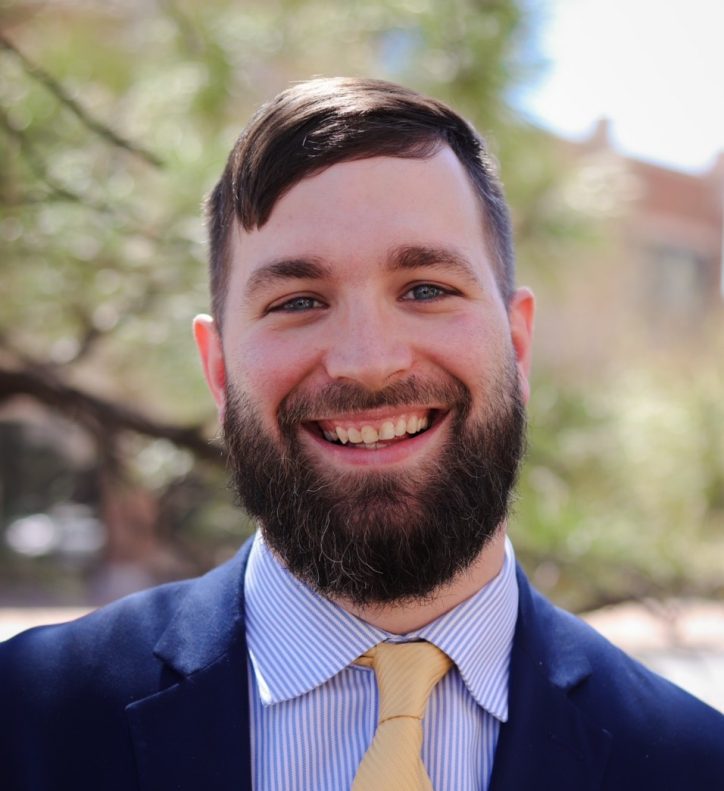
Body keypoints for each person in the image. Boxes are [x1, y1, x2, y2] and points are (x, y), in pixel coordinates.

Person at [1, 78, 722, 791]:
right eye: (298, 301)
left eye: (427, 289)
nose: (369, 362)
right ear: (218, 370)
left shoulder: (695, 764)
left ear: (517, 343)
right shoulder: (23, 719)